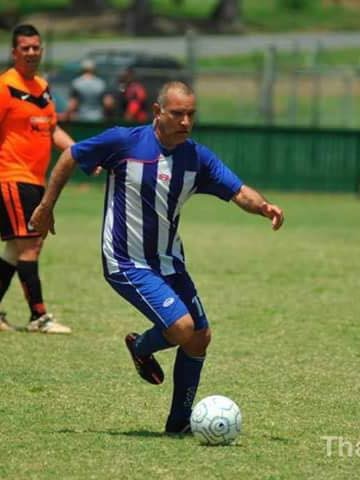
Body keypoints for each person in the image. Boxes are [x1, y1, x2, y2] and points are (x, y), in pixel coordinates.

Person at [29, 81, 284, 432]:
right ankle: (143, 346)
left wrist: (264, 207)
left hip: (169, 262)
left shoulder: (196, 157)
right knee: (181, 327)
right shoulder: (125, 141)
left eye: (190, 114)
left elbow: (238, 191)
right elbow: (72, 156)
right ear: (157, 111)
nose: (185, 122)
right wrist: (46, 206)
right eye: (177, 114)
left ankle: (178, 423)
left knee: (200, 336)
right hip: (125, 260)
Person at [0, 24, 74, 333]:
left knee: (17, 250)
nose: (31, 52)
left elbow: (52, 129)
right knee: (30, 246)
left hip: (36, 179)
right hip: (12, 176)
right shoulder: (5, 86)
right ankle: (39, 316)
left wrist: (80, 153)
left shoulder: (42, 87)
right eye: (25, 48)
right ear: (14, 52)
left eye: (36, 47)